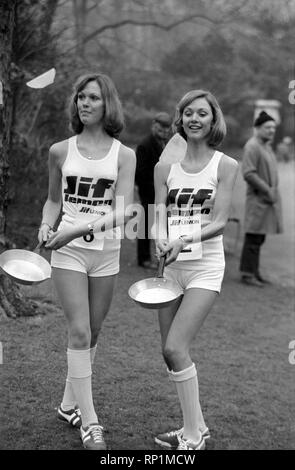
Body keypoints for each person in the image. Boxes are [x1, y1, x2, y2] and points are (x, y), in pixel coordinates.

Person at [38, 73, 136, 450]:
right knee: (79, 331)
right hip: (68, 253)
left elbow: (125, 211)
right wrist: (48, 225)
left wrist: (76, 230)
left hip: (106, 254)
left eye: (93, 97)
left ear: (107, 103)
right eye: (81, 97)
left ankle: (67, 405)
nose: (85, 103)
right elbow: (52, 201)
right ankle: (90, 421)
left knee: (93, 333)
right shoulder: (60, 151)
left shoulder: (124, 155)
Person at [152, 90, 238, 450]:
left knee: (176, 348)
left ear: (213, 119)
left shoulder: (225, 165)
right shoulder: (164, 169)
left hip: (204, 267)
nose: (194, 118)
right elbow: (158, 219)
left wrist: (181, 240)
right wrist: (160, 240)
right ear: (180, 120)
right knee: (168, 352)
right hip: (170, 268)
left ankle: (192, 437)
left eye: (202, 113)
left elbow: (219, 222)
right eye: (188, 113)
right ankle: (195, 426)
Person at [239, 111, 283, 287]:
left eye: (273, 127)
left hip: (266, 200)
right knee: (253, 237)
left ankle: (254, 271)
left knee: (259, 238)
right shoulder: (252, 146)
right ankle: (247, 274)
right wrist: (266, 190)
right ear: (257, 128)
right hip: (258, 199)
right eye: (267, 127)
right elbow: (248, 173)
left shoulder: (265, 145)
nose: (271, 130)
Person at [135, 112, 172, 268]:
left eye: (166, 128)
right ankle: (143, 259)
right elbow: (140, 173)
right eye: (160, 127)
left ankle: (164, 257)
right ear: (154, 125)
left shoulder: (169, 144)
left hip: (166, 194)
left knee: (165, 226)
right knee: (146, 226)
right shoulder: (145, 144)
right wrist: (157, 186)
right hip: (149, 192)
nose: (163, 130)